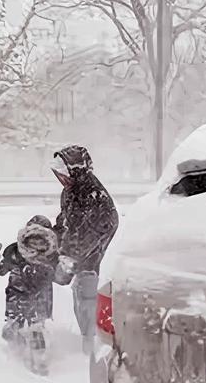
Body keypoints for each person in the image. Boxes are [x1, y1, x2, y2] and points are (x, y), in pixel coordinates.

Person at [49, 145, 119, 354]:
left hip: (92, 257)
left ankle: (94, 349)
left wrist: (71, 257)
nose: (61, 179)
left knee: (88, 296)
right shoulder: (70, 192)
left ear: (76, 170)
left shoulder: (95, 197)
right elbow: (66, 221)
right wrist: (53, 237)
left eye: (64, 174)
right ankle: (85, 342)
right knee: (80, 296)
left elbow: (101, 227)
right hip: (78, 256)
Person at [0, 215, 62, 375]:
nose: (36, 245)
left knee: (36, 329)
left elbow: (61, 278)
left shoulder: (52, 256)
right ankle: (15, 354)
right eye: (33, 239)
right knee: (13, 328)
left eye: (41, 240)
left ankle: (39, 362)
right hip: (16, 295)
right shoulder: (15, 252)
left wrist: (67, 269)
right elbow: (1, 270)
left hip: (40, 297)